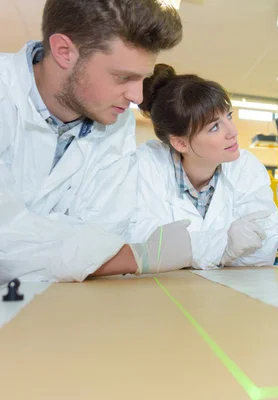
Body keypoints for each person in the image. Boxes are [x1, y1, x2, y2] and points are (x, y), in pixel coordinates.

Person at [0, 0, 190, 285]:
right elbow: (6, 235)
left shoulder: (117, 121)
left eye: (143, 79)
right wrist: (126, 256)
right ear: (65, 52)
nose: (138, 97)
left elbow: (107, 228)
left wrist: (71, 247)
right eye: (123, 77)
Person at [127, 64, 278, 268]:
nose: (232, 132)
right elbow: (140, 244)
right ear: (180, 143)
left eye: (228, 116)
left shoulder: (246, 167)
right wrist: (222, 246)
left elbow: (262, 250)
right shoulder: (147, 164)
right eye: (214, 127)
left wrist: (188, 251)